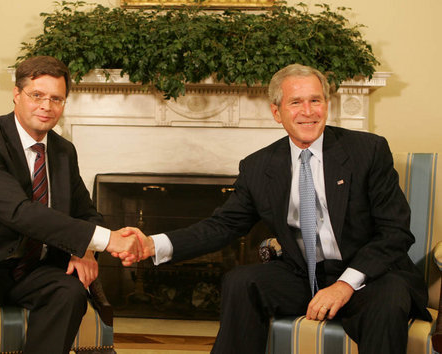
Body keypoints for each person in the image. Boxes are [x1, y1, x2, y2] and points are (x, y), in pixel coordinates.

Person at [118, 64, 432, 354]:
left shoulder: (368, 151)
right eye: (296, 102)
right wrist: (152, 244)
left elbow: (395, 232)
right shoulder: (259, 167)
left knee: (388, 300)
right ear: (276, 112)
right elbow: (223, 226)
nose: (308, 112)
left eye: (316, 101)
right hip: (303, 276)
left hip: (371, 277)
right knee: (242, 282)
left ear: (326, 104)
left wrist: (344, 285)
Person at [0, 56, 141, 354]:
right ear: (16, 94)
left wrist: (87, 249)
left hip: (36, 266)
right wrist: (109, 240)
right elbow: (19, 212)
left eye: (57, 99)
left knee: (70, 292)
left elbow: (86, 212)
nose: (46, 106)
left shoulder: (64, 151)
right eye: (37, 95)